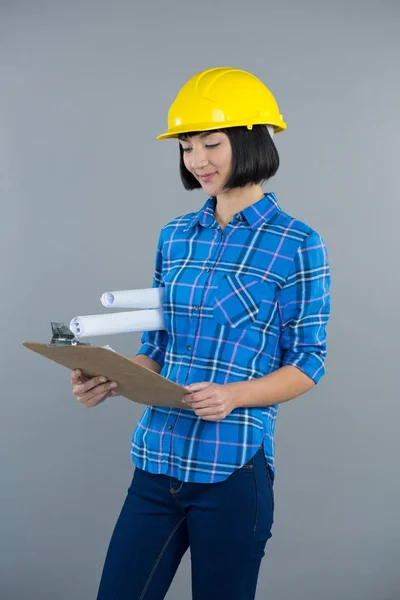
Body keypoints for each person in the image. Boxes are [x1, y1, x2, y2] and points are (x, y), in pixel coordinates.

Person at [71, 67, 331, 600]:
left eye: (211, 143)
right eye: (187, 146)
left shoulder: (298, 243)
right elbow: (156, 349)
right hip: (156, 460)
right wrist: (112, 378)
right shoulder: (175, 236)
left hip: (232, 469)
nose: (197, 160)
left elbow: (309, 362)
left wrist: (234, 396)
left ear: (253, 141)